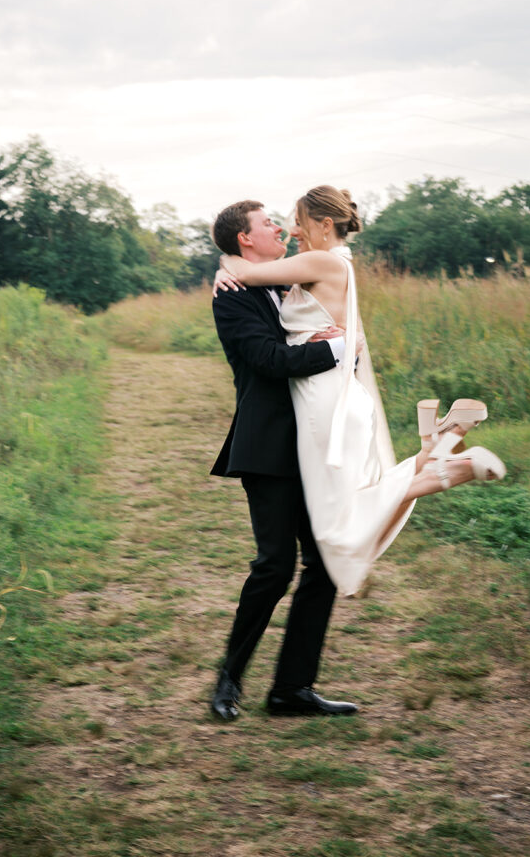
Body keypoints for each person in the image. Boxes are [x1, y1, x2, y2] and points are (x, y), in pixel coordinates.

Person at [217, 186, 505, 599]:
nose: (293, 230)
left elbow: (243, 274)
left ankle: (444, 471)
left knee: (336, 515)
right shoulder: (329, 265)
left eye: (299, 221)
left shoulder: (320, 260)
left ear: (324, 224)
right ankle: (435, 449)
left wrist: (223, 268)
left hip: (321, 398)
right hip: (333, 391)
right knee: (346, 495)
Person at [209, 199, 359, 722]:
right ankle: (229, 678)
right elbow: (270, 362)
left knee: (323, 565)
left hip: (316, 443)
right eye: (267, 224)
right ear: (245, 239)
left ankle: (292, 689)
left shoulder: (287, 281)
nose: (279, 228)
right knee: (274, 567)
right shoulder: (231, 298)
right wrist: (337, 351)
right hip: (269, 446)